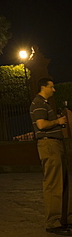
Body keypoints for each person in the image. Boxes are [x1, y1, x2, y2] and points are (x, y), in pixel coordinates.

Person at [30, 78, 72, 235]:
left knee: (63, 182)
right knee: (54, 184)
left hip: (56, 144)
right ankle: (53, 222)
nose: (54, 90)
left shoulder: (45, 103)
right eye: (51, 87)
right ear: (43, 87)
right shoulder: (38, 103)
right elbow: (41, 124)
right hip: (49, 145)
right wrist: (57, 121)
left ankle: (65, 219)